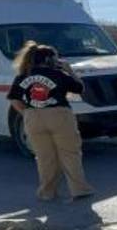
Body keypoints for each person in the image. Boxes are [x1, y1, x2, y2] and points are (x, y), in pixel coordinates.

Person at [7, 42, 93, 201]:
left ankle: (47, 193)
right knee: (70, 154)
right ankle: (79, 190)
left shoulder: (22, 75)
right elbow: (79, 89)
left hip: (33, 117)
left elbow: (13, 99)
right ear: (49, 59)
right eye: (55, 57)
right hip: (59, 115)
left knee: (44, 158)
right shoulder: (58, 74)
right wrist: (69, 70)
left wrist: (26, 113)